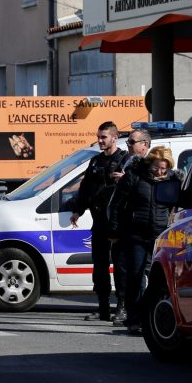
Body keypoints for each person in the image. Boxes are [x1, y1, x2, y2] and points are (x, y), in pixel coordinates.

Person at [107, 145, 182, 333]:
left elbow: (179, 204)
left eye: (164, 168)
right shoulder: (135, 176)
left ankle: (151, 316)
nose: (160, 171)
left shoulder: (172, 181)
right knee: (136, 276)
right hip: (136, 234)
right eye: (157, 167)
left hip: (161, 235)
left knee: (159, 278)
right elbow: (116, 204)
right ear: (150, 163)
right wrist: (114, 230)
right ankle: (134, 319)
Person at [70, 121, 130, 322]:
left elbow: (135, 188)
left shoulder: (125, 160)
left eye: (103, 137)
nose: (99, 141)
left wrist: (124, 179)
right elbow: (86, 188)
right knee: (100, 266)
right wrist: (77, 210)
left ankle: (122, 308)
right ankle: (103, 308)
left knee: (120, 267)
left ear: (115, 137)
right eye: (98, 137)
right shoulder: (95, 161)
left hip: (118, 223)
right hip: (99, 222)